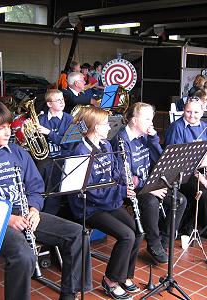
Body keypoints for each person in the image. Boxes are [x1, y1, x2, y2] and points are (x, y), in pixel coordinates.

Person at [0, 101, 91, 300]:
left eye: (8, 126)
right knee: (24, 256)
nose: (8, 132)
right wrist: (6, 219)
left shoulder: (18, 153)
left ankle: (70, 294)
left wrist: (34, 209)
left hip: (25, 214)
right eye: (1, 128)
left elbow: (35, 187)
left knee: (78, 234)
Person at [68, 106, 142, 300]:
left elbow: (114, 173)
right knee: (126, 236)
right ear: (93, 127)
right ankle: (110, 281)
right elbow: (91, 191)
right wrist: (120, 190)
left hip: (108, 201)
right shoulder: (81, 152)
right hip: (89, 206)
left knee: (137, 231)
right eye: (105, 124)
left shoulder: (106, 145)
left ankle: (124, 275)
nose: (109, 127)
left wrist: (125, 180)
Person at [111, 102, 187, 263]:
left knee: (180, 200)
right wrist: (149, 188)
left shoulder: (145, 137)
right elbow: (124, 176)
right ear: (134, 120)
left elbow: (161, 161)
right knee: (151, 202)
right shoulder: (121, 140)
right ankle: (153, 244)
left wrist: (153, 139)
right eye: (147, 119)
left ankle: (164, 241)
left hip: (148, 182)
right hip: (131, 187)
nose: (151, 123)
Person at [165, 97, 207, 239]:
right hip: (183, 173)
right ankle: (205, 223)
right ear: (183, 111)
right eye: (188, 111)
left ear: (202, 112)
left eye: (196, 112)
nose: (192, 115)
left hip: (203, 169)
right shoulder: (176, 128)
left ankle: (195, 219)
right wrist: (199, 176)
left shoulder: (204, 127)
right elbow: (176, 160)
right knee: (202, 193)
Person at [37, 89, 75, 215]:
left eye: (62, 99)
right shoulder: (41, 119)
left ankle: (53, 211)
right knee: (43, 168)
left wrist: (49, 133)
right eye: (58, 100)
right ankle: (42, 209)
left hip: (64, 156)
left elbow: (68, 143)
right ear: (49, 104)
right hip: (46, 157)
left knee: (57, 172)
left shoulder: (70, 119)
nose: (62, 102)